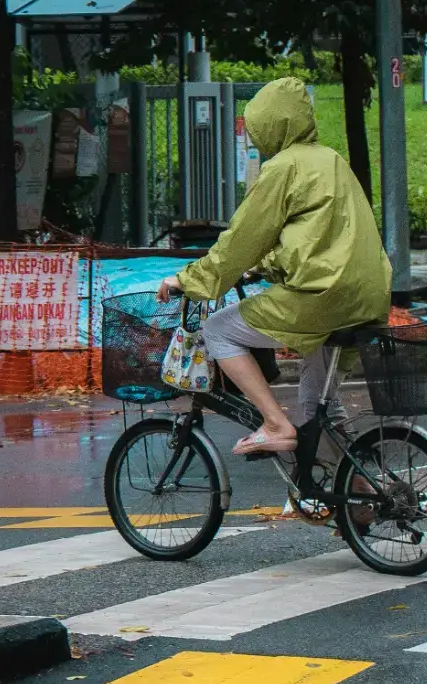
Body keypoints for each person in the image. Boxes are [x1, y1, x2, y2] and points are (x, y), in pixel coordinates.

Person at [157, 77, 391, 457]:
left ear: (270, 125)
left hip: (321, 297)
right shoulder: (332, 159)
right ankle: (360, 494)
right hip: (366, 296)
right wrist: (264, 266)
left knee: (218, 329)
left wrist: (189, 280)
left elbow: (242, 240)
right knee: (318, 407)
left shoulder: (283, 167)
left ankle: (273, 422)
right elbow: (321, 237)